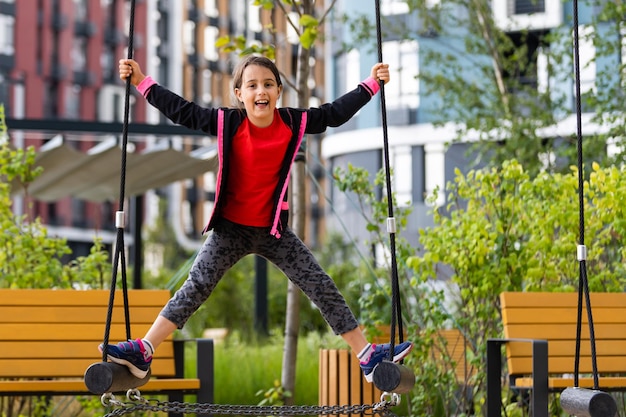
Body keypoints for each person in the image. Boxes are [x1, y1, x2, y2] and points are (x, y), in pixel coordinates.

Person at [102, 55, 413, 383]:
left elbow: (334, 114)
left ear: (279, 91)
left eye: (267, 84)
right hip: (230, 230)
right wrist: (141, 81)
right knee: (196, 286)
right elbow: (183, 111)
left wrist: (371, 85)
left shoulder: (293, 122)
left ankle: (365, 356)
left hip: (273, 230)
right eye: (251, 85)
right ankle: (145, 349)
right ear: (239, 94)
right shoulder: (227, 123)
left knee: (319, 283)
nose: (260, 91)